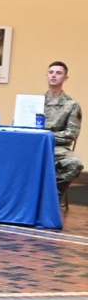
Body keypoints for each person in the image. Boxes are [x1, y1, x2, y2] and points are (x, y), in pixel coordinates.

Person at [43, 60, 83, 199]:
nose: (54, 75)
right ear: (47, 75)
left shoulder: (72, 105)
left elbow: (71, 134)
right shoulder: (34, 101)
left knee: (75, 164)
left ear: (65, 78)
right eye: (51, 72)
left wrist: (47, 136)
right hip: (34, 146)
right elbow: (20, 124)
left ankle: (51, 197)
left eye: (58, 73)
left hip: (57, 148)